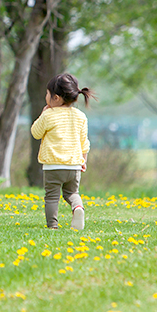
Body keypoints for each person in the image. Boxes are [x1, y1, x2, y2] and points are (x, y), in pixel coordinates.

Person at [30, 73, 95, 230]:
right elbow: (84, 142)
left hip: (53, 166)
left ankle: (52, 225)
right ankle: (78, 208)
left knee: (52, 197)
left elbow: (35, 133)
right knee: (72, 193)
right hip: (73, 166)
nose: (46, 96)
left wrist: (43, 114)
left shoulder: (49, 115)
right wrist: (83, 160)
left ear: (56, 98)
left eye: (48, 93)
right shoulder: (80, 116)